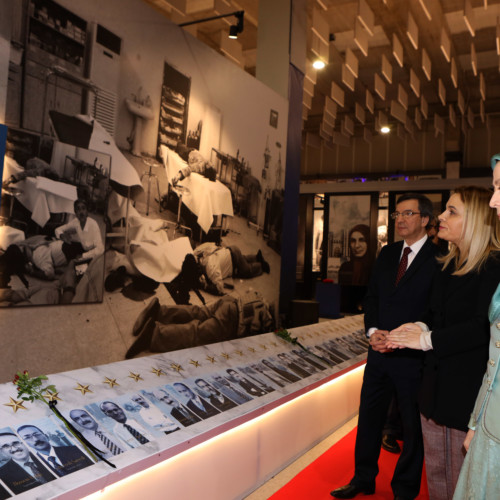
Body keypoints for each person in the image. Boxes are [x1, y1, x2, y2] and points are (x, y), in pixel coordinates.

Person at [387, 186, 500, 500]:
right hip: (433, 394)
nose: (440, 217)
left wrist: (425, 339)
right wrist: (417, 326)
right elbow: (434, 314)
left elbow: (481, 328)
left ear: (475, 220)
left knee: (464, 485)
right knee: (436, 477)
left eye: (452, 211)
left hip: (467, 397)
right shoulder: (447, 263)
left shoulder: (493, 266)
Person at [331, 193, 439, 500]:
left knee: (411, 428)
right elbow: (373, 297)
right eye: (397, 215)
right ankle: (363, 478)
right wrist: (374, 331)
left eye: (408, 214)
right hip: (378, 353)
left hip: (412, 358)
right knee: (368, 419)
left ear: (424, 220)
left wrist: (408, 336)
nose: (401, 220)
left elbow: (435, 309)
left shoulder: (439, 258)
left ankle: (404, 490)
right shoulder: (388, 253)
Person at [452, 155, 500, 499]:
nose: (494, 200)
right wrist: (476, 423)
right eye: (494, 188)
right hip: (489, 427)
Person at [125, 293, 274, 358]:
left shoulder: (266, 304)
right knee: (197, 333)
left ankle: (159, 311)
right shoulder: (271, 324)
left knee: (198, 312)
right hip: (233, 319)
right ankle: (154, 335)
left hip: (232, 302)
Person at [194, 242, 270, 296]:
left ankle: (262, 266)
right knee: (243, 259)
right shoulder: (202, 258)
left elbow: (220, 289)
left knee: (247, 270)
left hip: (234, 258)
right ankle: (256, 257)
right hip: (231, 250)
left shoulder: (211, 268)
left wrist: (205, 286)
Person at [17, 424, 93, 476]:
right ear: (24, 444)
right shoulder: (34, 466)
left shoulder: (75, 450)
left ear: (46, 436)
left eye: (36, 434)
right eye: (27, 437)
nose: (35, 439)